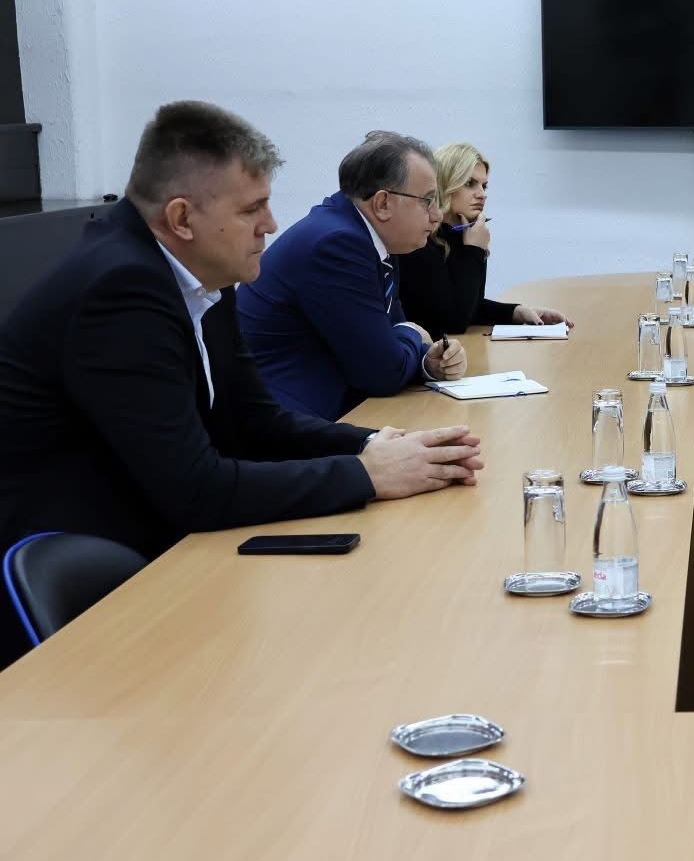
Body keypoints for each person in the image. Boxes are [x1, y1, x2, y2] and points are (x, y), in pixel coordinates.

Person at [0, 101, 486, 565]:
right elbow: (195, 490)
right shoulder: (120, 291)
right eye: (252, 209)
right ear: (182, 218)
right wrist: (365, 474)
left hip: (151, 539)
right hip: (91, 568)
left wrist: (373, 443)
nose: (270, 225)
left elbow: (254, 420)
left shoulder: (206, 275)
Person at [238, 131, 469, 420]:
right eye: (427, 200)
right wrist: (413, 334)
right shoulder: (337, 244)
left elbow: (390, 339)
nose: (437, 215)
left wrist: (428, 362)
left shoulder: (371, 239)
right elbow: (384, 371)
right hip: (285, 423)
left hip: (329, 410)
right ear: (382, 204)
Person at [394, 142, 574, 337]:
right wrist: (474, 250)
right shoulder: (421, 240)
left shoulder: (463, 234)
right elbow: (454, 321)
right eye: (470, 183)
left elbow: (468, 304)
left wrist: (516, 312)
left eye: (484, 185)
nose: (482, 194)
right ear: (444, 184)